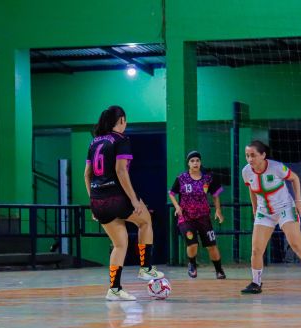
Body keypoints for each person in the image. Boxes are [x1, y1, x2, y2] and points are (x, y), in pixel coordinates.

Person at [84, 106, 164, 301]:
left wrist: (93, 202)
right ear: (120, 120)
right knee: (145, 220)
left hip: (98, 200)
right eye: (125, 120)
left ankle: (114, 289)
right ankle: (145, 268)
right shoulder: (121, 140)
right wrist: (134, 200)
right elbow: (121, 171)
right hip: (115, 197)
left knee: (120, 244)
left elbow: (86, 175)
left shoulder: (94, 142)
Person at [240, 140, 301, 295]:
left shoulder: (276, 167)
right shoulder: (246, 171)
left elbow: (295, 178)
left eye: (253, 155)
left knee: (296, 244)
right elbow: (251, 189)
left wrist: (299, 201)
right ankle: (256, 283)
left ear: (263, 155)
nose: (250, 159)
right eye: (247, 155)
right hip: (264, 212)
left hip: (285, 208)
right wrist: (254, 207)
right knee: (256, 250)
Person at [169, 150, 226, 279]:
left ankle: (219, 270)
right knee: (192, 244)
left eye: (197, 160)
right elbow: (172, 193)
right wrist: (177, 206)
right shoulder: (181, 178)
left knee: (211, 245)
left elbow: (216, 195)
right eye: (192, 161)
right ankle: (192, 265)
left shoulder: (208, 178)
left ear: (200, 162)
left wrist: (218, 210)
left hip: (204, 217)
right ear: (188, 163)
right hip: (186, 217)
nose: (195, 163)